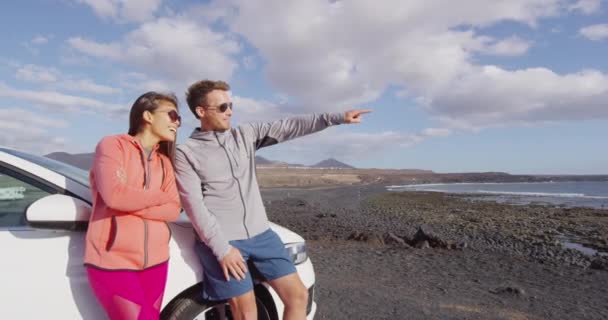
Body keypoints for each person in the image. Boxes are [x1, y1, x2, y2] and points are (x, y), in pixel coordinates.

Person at [174, 80, 371, 320]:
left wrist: (336, 117)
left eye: (231, 105)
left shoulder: (244, 135)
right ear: (201, 112)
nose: (230, 112)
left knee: (298, 296)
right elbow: (194, 206)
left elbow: (288, 126)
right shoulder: (187, 153)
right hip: (224, 240)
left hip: (261, 235)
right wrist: (222, 249)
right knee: (246, 313)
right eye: (223, 107)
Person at [84, 91, 183, 320]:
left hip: (157, 261)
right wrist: (158, 196)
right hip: (113, 261)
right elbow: (115, 196)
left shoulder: (165, 162)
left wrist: (133, 201)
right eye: (172, 115)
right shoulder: (113, 146)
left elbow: (173, 209)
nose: (176, 122)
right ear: (147, 115)